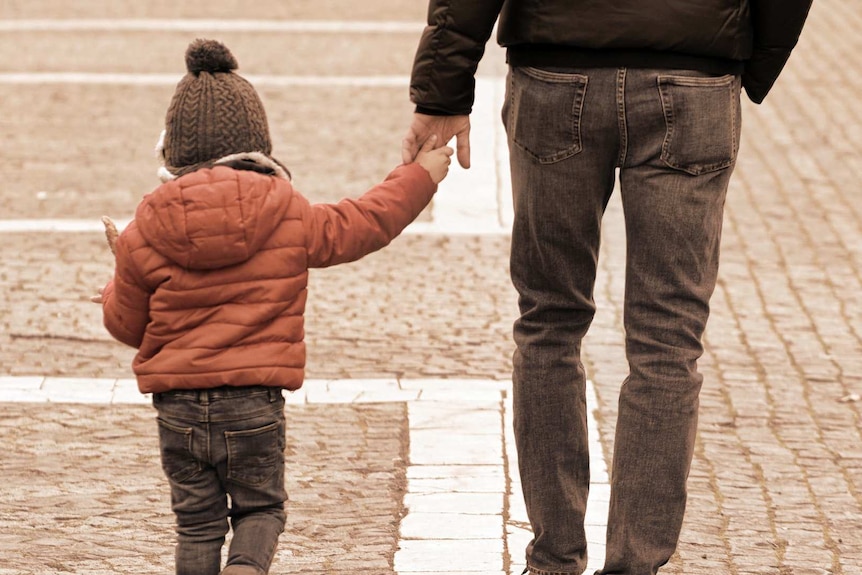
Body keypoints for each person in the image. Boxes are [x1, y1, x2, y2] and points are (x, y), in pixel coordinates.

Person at [402, 2, 812, 574]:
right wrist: (747, 56)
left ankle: (553, 560)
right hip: (693, 74)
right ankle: (635, 565)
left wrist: (441, 91)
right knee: (667, 340)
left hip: (556, 70)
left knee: (549, 321)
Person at [92, 38, 452, 575]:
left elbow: (127, 325)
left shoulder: (145, 230)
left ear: (173, 154)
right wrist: (420, 175)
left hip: (179, 410)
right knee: (260, 510)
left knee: (196, 525)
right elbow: (364, 223)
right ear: (257, 146)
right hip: (254, 406)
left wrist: (117, 274)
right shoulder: (287, 212)